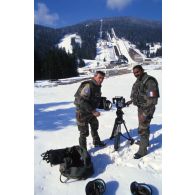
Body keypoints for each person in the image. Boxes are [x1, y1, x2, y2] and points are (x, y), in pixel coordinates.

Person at [127, 65, 160, 159]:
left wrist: (145, 114)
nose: (136, 74)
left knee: (143, 128)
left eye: (137, 72)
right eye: (134, 73)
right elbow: (138, 94)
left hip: (147, 109)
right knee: (144, 126)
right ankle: (145, 142)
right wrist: (131, 101)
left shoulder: (150, 81)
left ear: (142, 70)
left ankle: (143, 150)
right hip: (141, 108)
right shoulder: (139, 81)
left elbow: (153, 100)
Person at [74, 71, 106, 150]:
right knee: (84, 133)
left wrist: (103, 102)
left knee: (95, 126)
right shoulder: (88, 85)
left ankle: (96, 141)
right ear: (95, 76)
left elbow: (93, 98)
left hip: (90, 112)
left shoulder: (97, 86)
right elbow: (81, 101)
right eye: (99, 77)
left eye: (102, 78)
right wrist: (93, 111)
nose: (101, 80)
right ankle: (83, 151)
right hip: (82, 113)